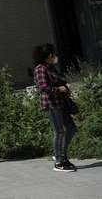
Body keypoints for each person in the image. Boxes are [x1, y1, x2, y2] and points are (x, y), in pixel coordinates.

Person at [33, 43, 77, 172]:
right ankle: (59, 161)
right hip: (51, 104)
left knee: (71, 128)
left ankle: (61, 154)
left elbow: (59, 80)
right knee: (59, 131)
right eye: (54, 54)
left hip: (60, 103)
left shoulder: (50, 67)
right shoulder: (40, 69)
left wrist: (65, 86)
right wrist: (59, 89)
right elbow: (43, 87)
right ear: (49, 56)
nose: (56, 56)